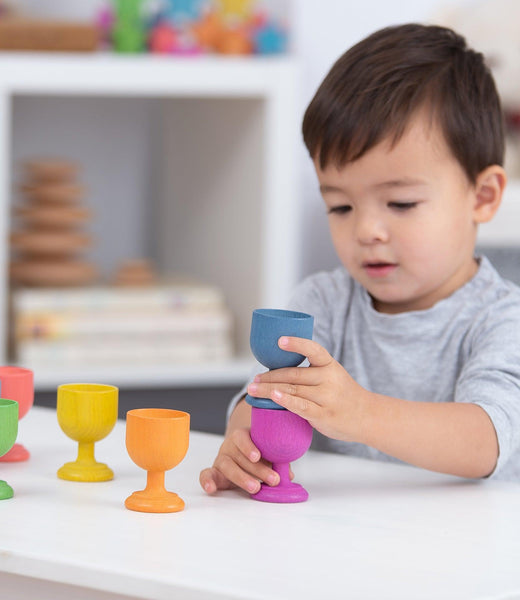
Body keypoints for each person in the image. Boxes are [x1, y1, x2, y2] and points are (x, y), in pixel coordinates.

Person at [200, 23, 520, 495]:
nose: (366, 231)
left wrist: (361, 413)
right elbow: (267, 393)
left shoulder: (502, 319)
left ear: (483, 196)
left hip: (466, 553)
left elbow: (488, 441)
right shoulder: (324, 303)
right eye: (341, 207)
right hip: (343, 542)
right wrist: (242, 441)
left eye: (401, 203)